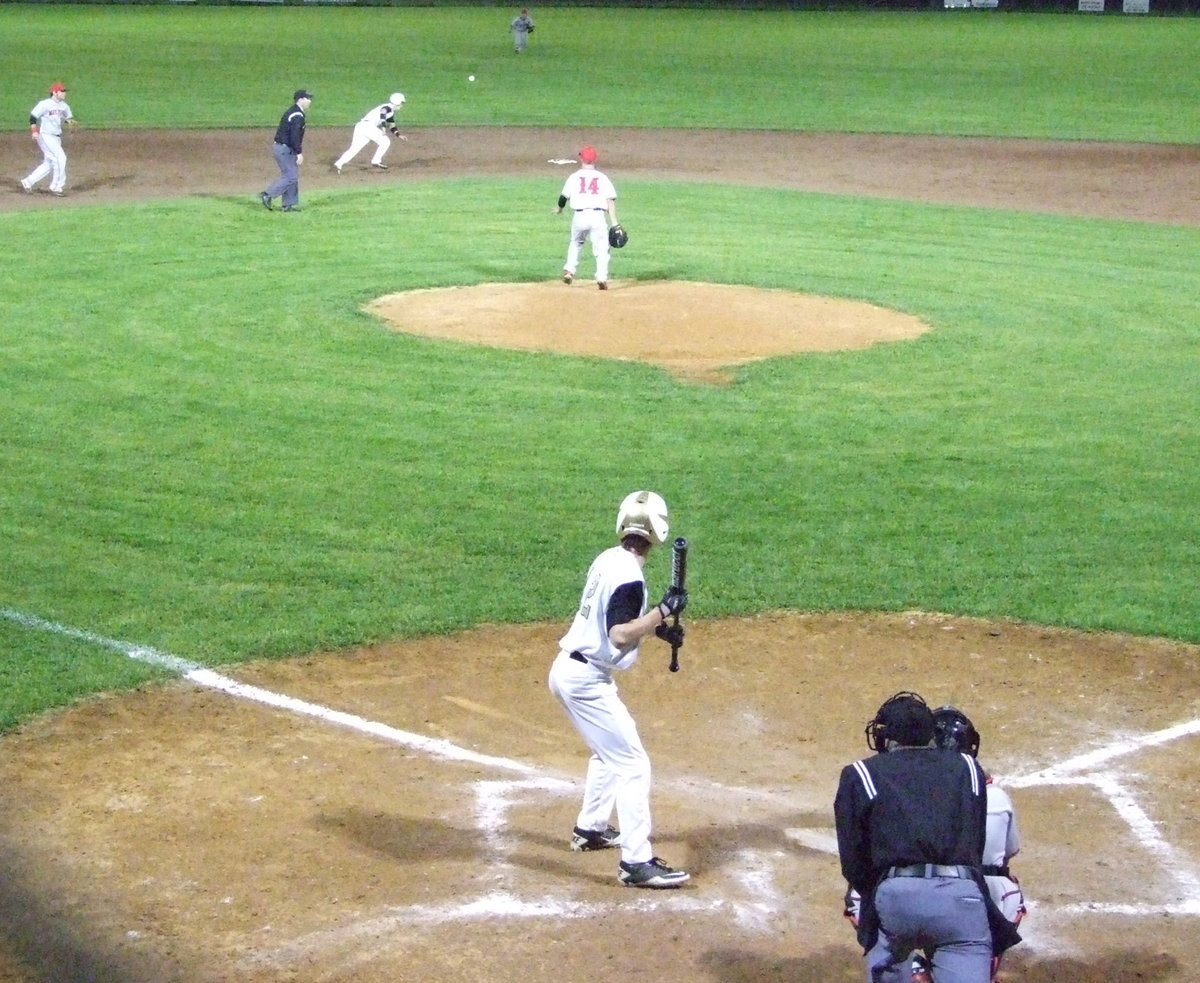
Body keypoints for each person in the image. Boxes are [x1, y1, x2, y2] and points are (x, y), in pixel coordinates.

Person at [548, 490, 689, 889]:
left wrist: (659, 629)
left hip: (571, 670)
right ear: (658, 531)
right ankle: (636, 862)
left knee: (608, 753)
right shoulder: (630, 574)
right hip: (585, 681)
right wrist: (662, 610)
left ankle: (591, 828)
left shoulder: (609, 559)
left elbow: (611, 614)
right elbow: (619, 631)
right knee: (632, 764)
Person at [835, 691, 1019, 983]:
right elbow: (973, 842)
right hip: (960, 899)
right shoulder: (968, 768)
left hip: (895, 898)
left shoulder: (860, 773)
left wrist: (883, 896)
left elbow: (853, 860)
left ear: (888, 737)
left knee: (885, 947)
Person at [553, 146, 618, 290]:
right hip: (597, 217)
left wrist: (560, 209)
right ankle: (601, 277)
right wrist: (614, 223)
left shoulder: (574, 176)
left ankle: (569, 271)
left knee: (576, 243)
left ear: (581, 158)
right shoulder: (602, 178)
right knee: (602, 249)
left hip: (579, 217)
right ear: (594, 159)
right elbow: (610, 200)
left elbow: (563, 197)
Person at [21, 82, 76, 197]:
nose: (64, 93)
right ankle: (56, 187)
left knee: (49, 163)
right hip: (45, 135)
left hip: (57, 137)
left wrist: (69, 122)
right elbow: (33, 118)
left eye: (64, 91)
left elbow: (67, 117)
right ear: (55, 92)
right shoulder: (44, 104)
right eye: (62, 91)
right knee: (61, 158)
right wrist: (34, 131)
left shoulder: (64, 106)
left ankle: (28, 181)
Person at [261, 89, 312, 213]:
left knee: (292, 175)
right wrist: (299, 152)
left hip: (285, 148)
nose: (309, 101)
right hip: (284, 149)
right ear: (300, 99)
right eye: (307, 98)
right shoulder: (296, 115)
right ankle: (268, 194)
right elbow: (295, 136)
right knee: (291, 176)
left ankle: (287, 205)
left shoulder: (295, 112)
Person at [334, 93, 407, 174]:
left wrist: (398, 135)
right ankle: (376, 160)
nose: (402, 105)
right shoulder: (387, 107)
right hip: (367, 126)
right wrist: (383, 127)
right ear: (397, 102)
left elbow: (391, 124)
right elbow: (383, 112)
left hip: (361, 127)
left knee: (354, 148)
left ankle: (338, 164)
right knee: (385, 141)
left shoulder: (390, 111)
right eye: (401, 103)